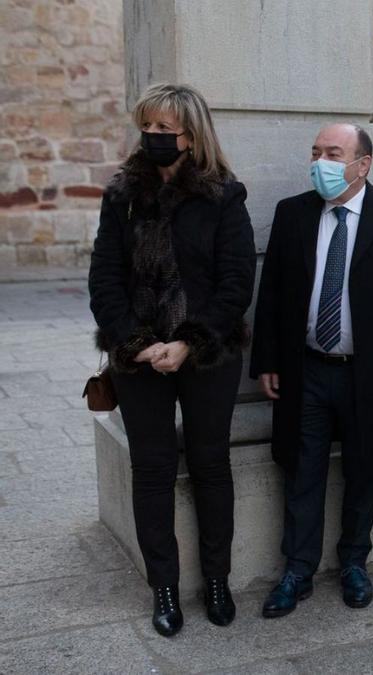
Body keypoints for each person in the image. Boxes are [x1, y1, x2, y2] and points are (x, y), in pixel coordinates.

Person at [88, 83, 256, 637]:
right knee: (152, 468)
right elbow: (104, 280)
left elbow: (235, 285)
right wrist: (136, 344)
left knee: (210, 464)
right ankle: (163, 587)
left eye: (165, 128)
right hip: (137, 357)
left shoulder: (224, 195)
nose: (154, 137)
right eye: (148, 127)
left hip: (207, 353)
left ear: (192, 133)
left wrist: (187, 341)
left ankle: (216, 581)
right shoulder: (121, 195)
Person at [249, 123, 373, 618]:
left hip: (370, 373)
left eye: (332, 153)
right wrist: (266, 359)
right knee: (302, 472)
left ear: (362, 164)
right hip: (305, 368)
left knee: (364, 469)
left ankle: (354, 562)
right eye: (315, 152)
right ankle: (297, 571)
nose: (320, 162)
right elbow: (271, 295)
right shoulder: (293, 214)